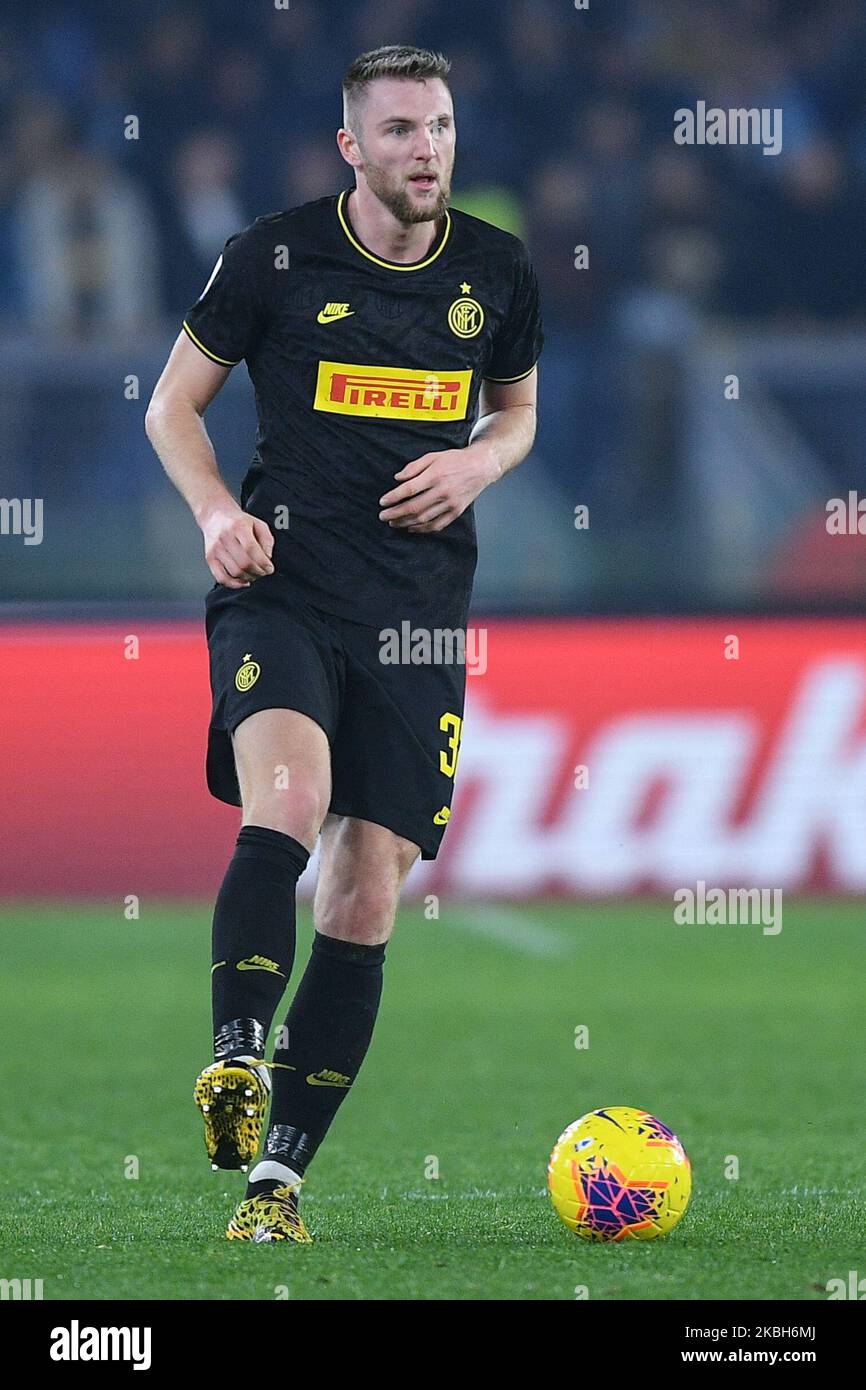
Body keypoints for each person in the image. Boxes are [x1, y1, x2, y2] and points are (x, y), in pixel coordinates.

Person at [145, 44, 543, 1244]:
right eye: (402, 130)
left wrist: (477, 457)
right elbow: (171, 405)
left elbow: (518, 414)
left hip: (419, 617)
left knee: (367, 896)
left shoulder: (499, 270)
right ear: (350, 148)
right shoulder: (272, 257)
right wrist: (218, 514)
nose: (428, 149)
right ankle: (232, 1059)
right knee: (287, 799)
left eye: (441, 126)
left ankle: (277, 1190)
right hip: (284, 586)